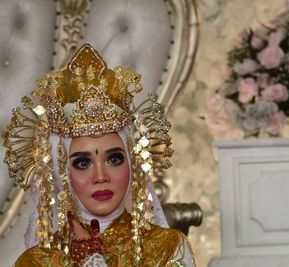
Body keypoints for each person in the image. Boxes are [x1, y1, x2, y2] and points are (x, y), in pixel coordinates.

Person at [3, 44, 196, 266]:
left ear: (133, 165)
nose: (101, 176)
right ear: (60, 172)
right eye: (83, 163)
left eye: (114, 159)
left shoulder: (167, 248)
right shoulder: (35, 262)